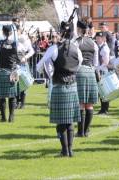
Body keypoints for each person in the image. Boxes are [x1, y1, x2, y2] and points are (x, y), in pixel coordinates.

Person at [37, 21, 83, 157]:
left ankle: (64, 150)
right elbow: (78, 64)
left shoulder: (54, 49)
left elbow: (39, 66)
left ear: (62, 32)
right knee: (69, 121)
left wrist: (49, 70)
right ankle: (70, 150)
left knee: (61, 121)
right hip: (72, 86)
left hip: (59, 86)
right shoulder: (76, 48)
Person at [75, 18, 99, 137]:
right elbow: (96, 62)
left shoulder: (76, 42)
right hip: (90, 71)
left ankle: (80, 132)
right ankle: (86, 131)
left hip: (79, 72)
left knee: (80, 103)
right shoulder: (94, 43)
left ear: (78, 29)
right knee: (89, 104)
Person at [0, 25, 20, 122]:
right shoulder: (17, 44)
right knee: (12, 96)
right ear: (11, 32)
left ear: (3, 32)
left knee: (2, 96)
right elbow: (21, 58)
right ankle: (11, 117)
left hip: (1, 72)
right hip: (12, 72)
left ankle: (3, 117)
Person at [15, 22, 35, 109]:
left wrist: (25, 57)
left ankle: (22, 103)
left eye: (17, 30)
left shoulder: (25, 39)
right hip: (14, 63)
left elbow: (32, 51)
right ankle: (15, 102)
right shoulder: (12, 39)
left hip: (23, 63)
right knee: (15, 83)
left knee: (24, 83)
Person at [96, 31, 111, 115]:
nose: (97, 39)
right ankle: (103, 109)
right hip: (100, 70)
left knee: (104, 91)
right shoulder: (99, 47)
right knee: (101, 91)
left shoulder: (105, 48)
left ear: (103, 39)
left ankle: (105, 109)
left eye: (99, 38)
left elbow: (106, 62)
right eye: (97, 38)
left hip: (103, 71)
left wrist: (97, 68)